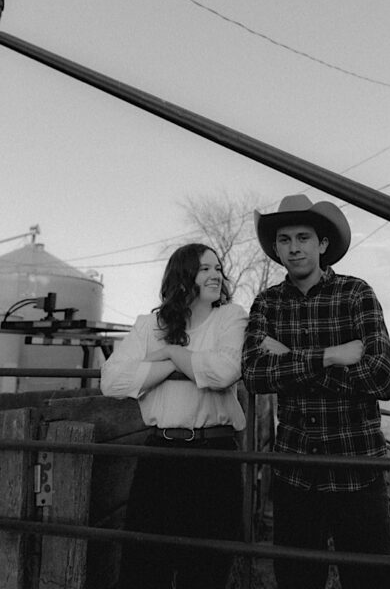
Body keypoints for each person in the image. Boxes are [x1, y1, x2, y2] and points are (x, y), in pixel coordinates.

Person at [241, 194, 390, 589]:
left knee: (370, 581)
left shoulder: (356, 294)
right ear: (276, 248)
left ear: (322, 244)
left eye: (303, 237)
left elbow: (383, 379)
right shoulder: (268, 303)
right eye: (284, 240)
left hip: (357, 469)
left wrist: (292, 359)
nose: (294, 248)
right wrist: (330, 356)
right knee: (297, 579)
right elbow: (255, 375)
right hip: (296, 472)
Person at [100, 243, 247, 589]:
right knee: (144, 566)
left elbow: (224, 371)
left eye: (218, 268)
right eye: (205, 268)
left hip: (214, 458)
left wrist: (166, 352)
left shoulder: (231, 317)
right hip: (161, 457)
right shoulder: (149, 325)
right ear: (183, 277)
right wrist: (173, 364)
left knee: (207, 568)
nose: (216, 275)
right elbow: (112, 380)